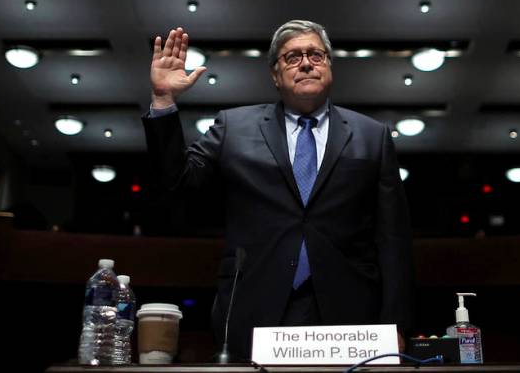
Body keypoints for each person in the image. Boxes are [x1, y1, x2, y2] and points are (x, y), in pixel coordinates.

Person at [143, 20, 414, 360]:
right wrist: (163, 100)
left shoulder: (372, 136)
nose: (305, 63)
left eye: (316, 55)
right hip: (254, 308)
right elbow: (177, 182)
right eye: (292, 57)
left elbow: (394, 240)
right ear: (275, 74)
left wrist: (396, 324)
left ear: (329, 65)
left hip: (350, 314)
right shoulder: (233, 127)